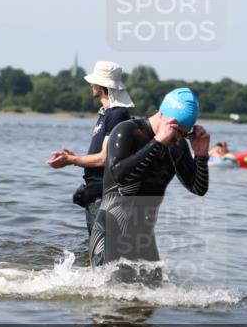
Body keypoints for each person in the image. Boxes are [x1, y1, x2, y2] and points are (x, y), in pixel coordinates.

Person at [90, 87, 210, 284]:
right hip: (111, 233)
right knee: (115, 298)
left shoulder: (177, 146)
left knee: (154, 298)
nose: (178, 138)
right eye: (175, 130)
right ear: (161, 114)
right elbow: (119, 175)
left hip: (144, 238)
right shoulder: (126, 131)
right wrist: (157, 142)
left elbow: (198, 188)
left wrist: (201, 156)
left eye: (184, 134)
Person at [46, 61, 133, 235]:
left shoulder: (117, 114)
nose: (91, 85)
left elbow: (104, 158)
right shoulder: (107, 113)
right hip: (97, 192)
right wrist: (76, 157)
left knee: (103, 248)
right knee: (99, 248)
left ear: (101, 85)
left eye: (94, 82)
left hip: (106, 195)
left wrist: (71, 160)